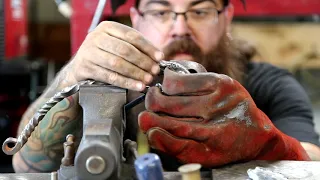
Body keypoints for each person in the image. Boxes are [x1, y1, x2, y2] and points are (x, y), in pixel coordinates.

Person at [13, 0, 320, 172]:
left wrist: (267, 143)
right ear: (137, 18)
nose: (180, 28)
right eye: (161, 12)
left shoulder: (268, 83)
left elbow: (313, 158)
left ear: (226, 18)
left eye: (199, 11)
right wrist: (73, 74)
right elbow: (24, 162)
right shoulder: (103, 83)